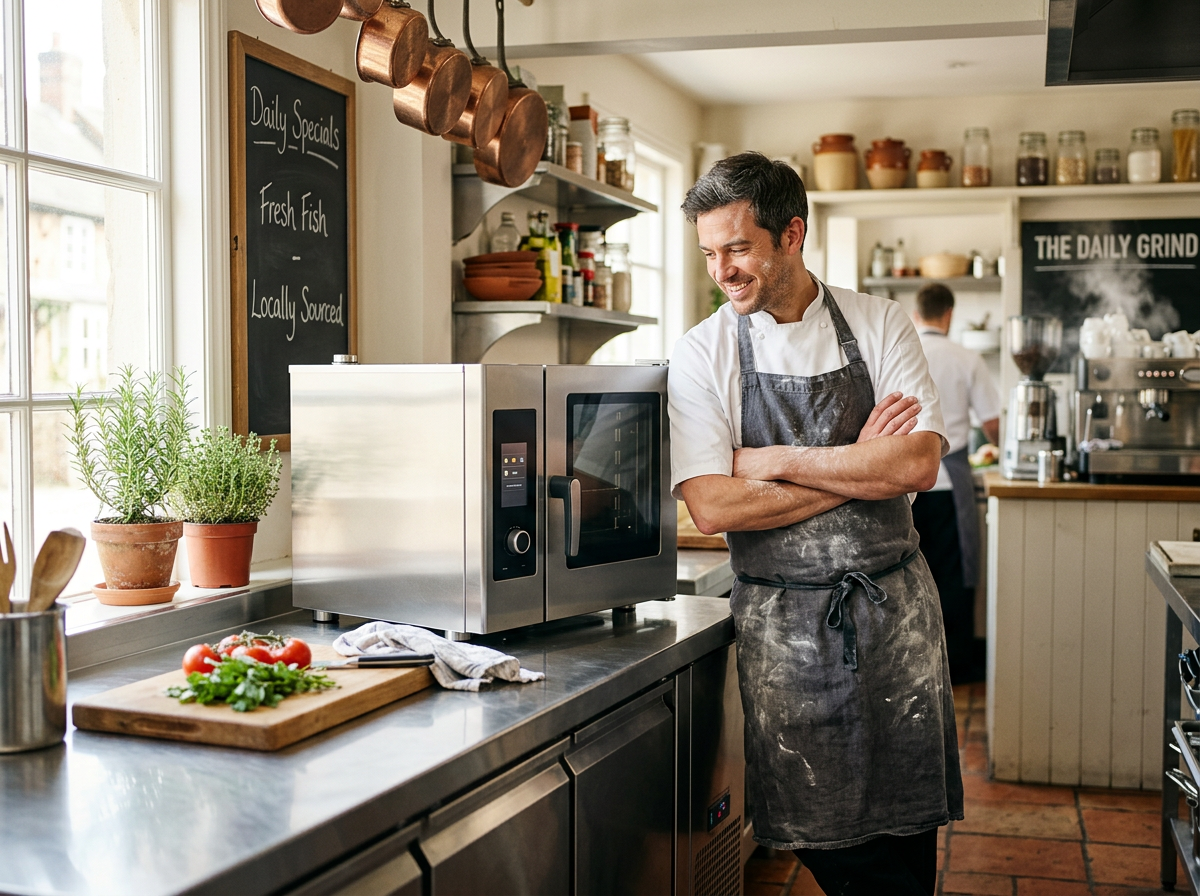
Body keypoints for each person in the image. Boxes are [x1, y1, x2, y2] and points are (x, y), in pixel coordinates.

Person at [670, 152, 963, 896]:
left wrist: (773, 459)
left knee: (906, 832)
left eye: (738, 248)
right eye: (710, 253)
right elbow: (713, 505)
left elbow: (915, 467)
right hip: (786, 633)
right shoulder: (703, 353)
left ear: (791, 234)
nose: (723, 270)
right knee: (826, 839)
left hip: (897, 620)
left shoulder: (879, 321)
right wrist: (856, 466)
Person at [911, 283, 1001, 684]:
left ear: (918, 314)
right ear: (949, 314)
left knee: (909, 574)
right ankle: (958, 667)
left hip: (906, 485)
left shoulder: (904, 353)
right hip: (951, 479)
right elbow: (994, 424)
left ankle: (915, 666)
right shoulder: (967, 358)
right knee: (955, 574)